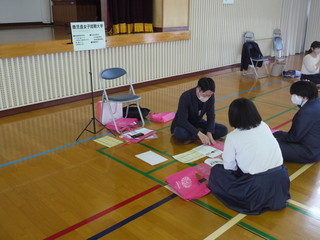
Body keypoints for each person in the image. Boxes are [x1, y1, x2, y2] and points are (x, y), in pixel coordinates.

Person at [208, 98, 290, 215]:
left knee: (217, 171)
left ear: (233, 116)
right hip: (281, 180)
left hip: (257, 189)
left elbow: (229, 167)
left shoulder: (233, 136)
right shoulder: (263, 125)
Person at [273, 81, 320, 163]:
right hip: (314, 146)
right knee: (278, 133)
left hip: (308, 152)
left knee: (269, 144)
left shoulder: (306, 112)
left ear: (304, 97)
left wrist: (276, 139)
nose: (292, 97)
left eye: (295, 95)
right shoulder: (316, 102)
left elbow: (293, 138)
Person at [171, 77, 228, 144]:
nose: (207, 97)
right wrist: (199, 133)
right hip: (184, 124)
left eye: (209, 95)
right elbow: (182, 120)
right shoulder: (186, 96)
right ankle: (200, 135)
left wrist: (209, 132)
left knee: (223, 129)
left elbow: (211, 115)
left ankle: (197, 136)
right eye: (205, 95)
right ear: (198, 89)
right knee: (179, 133)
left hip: (198, 122)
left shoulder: (211, 96)